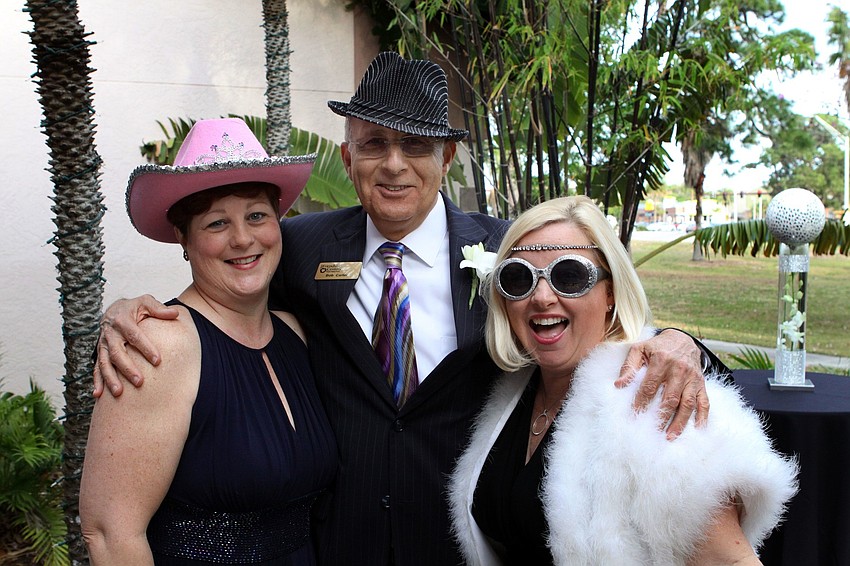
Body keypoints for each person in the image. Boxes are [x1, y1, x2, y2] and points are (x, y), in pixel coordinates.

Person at [94, 53, 726, 565]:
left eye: (416, 145)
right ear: (348, 158)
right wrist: (126, 313)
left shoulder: (510, 254)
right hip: (339, 547)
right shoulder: (301, 250)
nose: (393, 164)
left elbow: (598, 311)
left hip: (459, 548)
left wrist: (676, 341)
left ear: (445, 158)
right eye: (373, 144)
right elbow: (225, 298)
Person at [448, 195, 798, 565]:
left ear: (611, 292)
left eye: (569, 276)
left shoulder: (653, 406)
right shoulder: (513, 390)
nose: (542, 297)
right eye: (517, 278)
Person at [80, 118, 338, 565]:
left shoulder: (296, 333)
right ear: (183, 238)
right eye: (217, 222)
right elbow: (109, 532)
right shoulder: (161, 345)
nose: (243, 238)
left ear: (279, 223)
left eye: (256, 215)